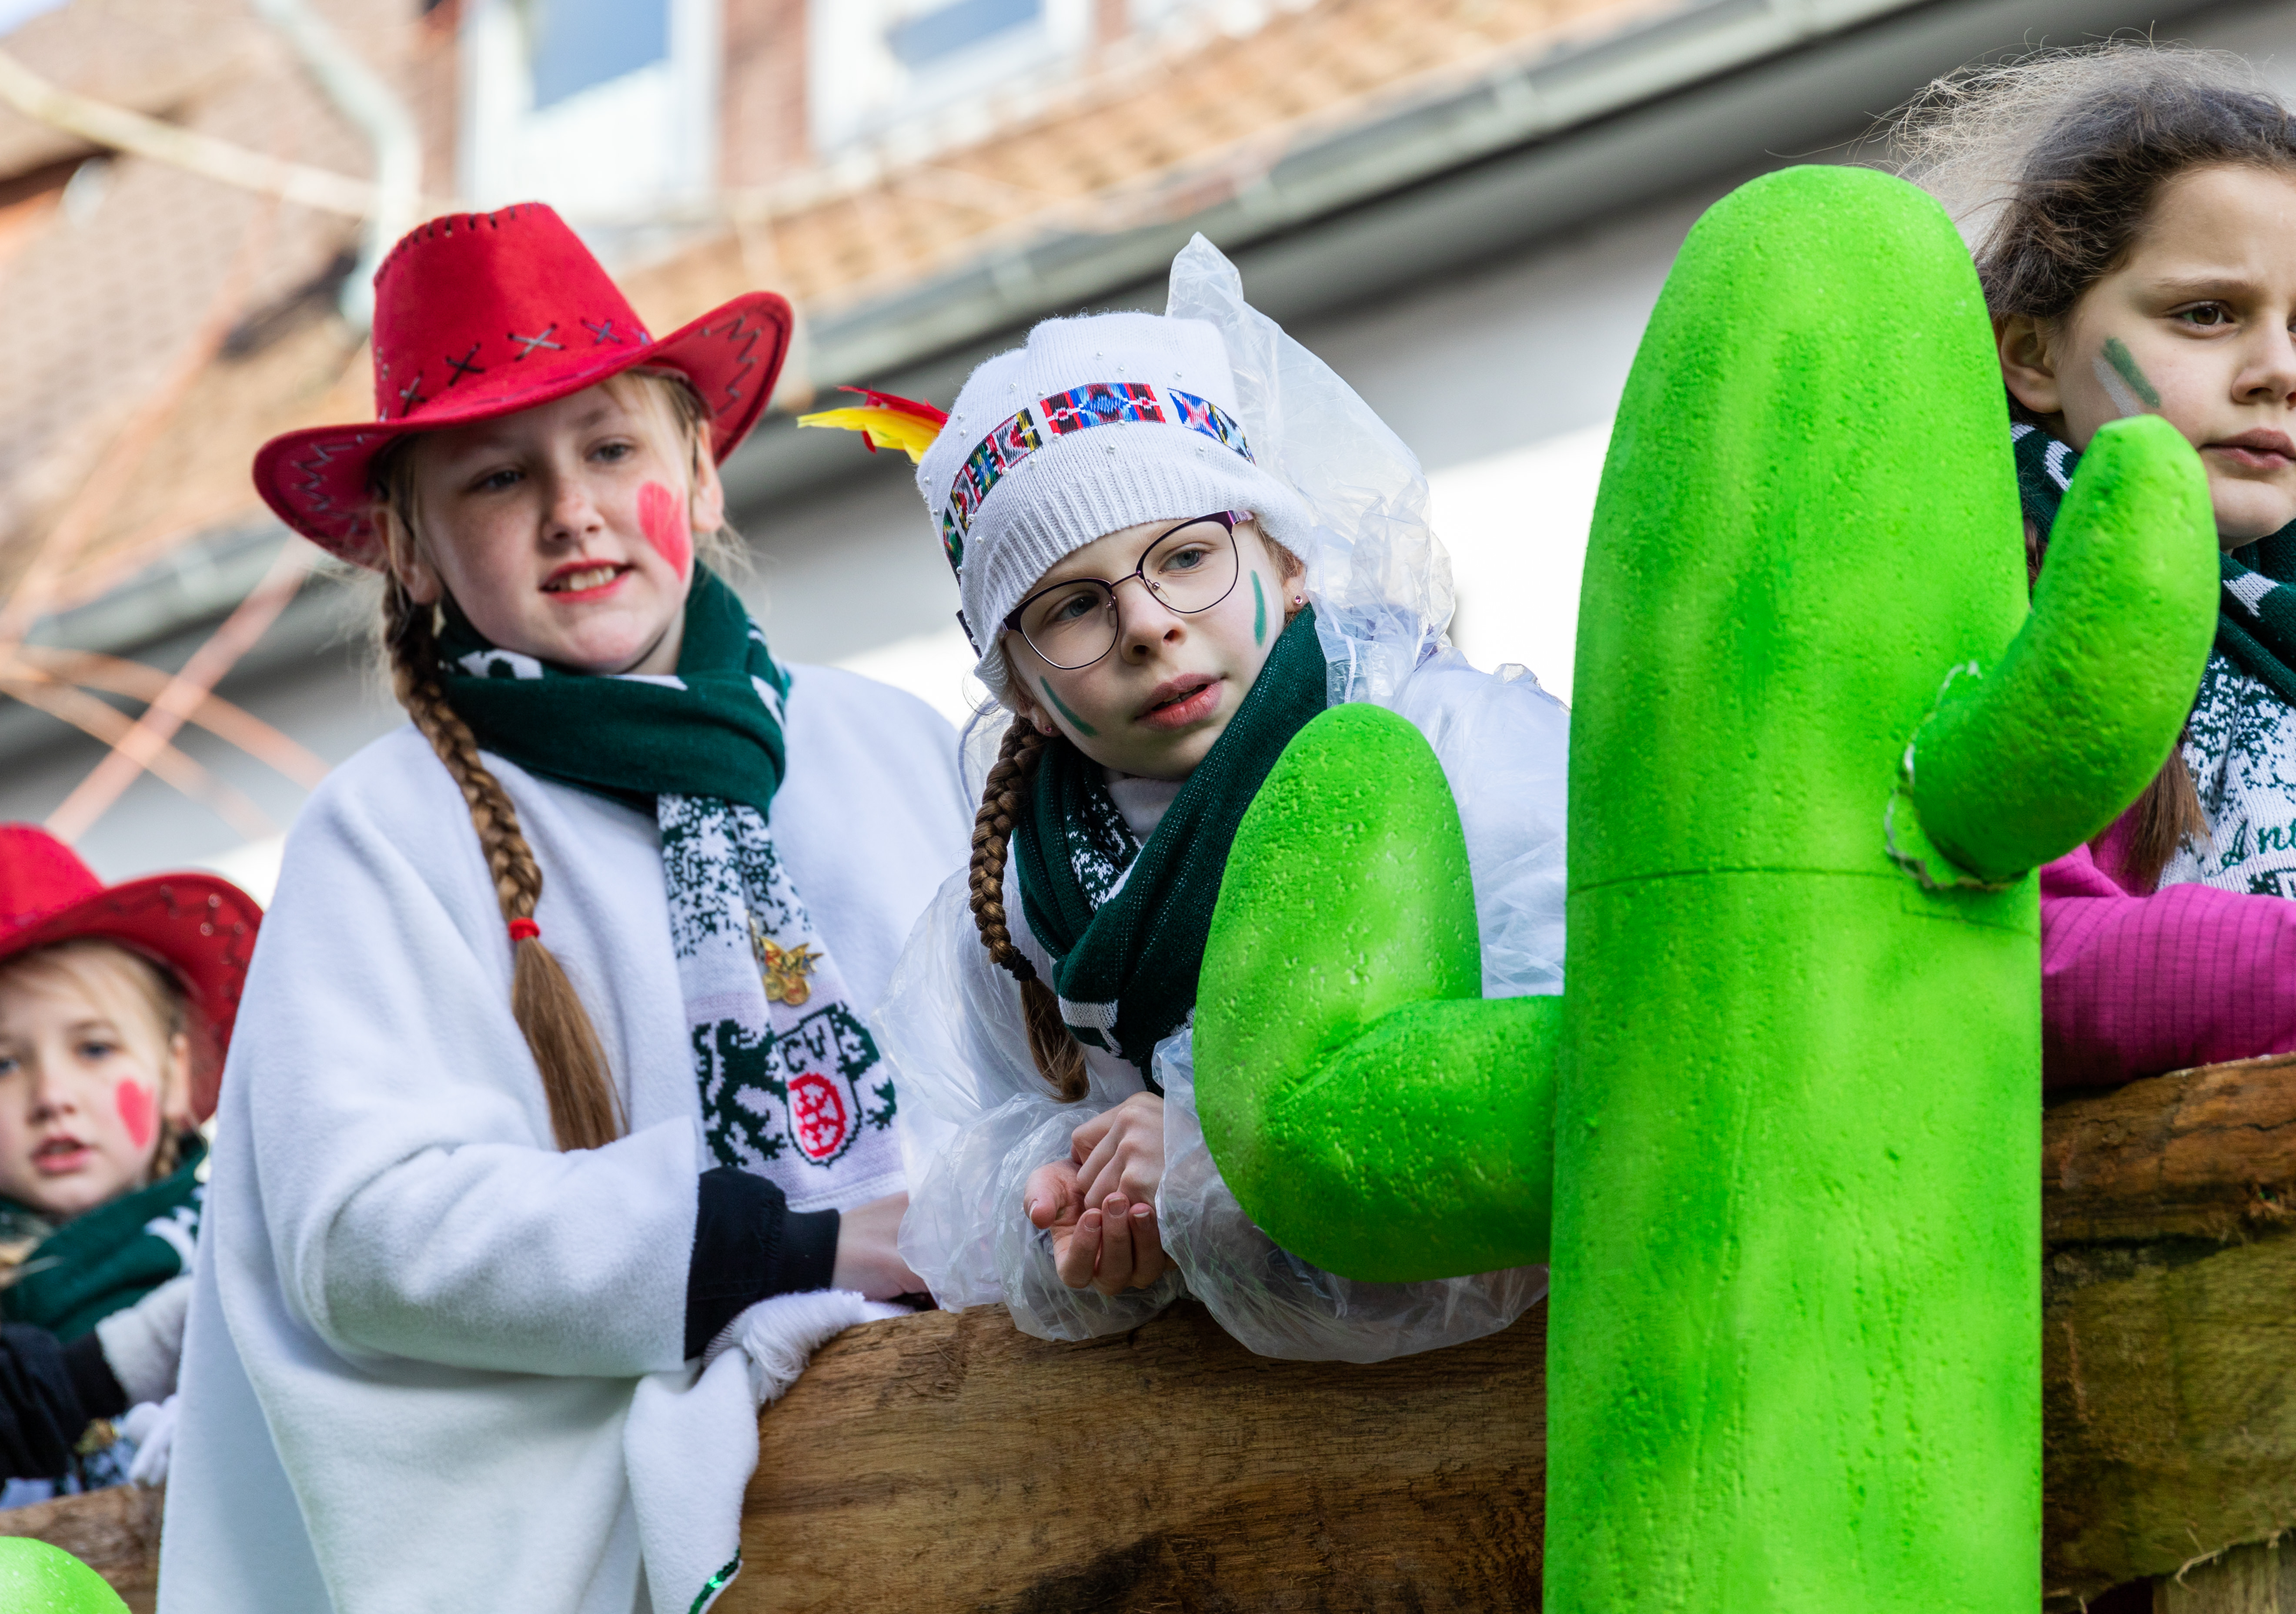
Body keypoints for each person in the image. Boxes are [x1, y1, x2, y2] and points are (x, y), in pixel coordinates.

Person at [160, 205, 967, 1614]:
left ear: (699, 478)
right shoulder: (387, 830)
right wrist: (805, 1245)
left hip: (984, 1429)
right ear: (409, 552)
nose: (570, 509)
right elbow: (367, 1231)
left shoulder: (892, 744)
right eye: (495, 478)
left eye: (609, 451)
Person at [841, 237, 1564, 1362]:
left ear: (1284, 560)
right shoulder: (1021, 912)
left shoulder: (1460, 748)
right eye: (1071, 606)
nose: (1146, 624)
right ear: (1020, 690)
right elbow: (969, 1189)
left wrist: (1217, 1164)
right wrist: (1069, 1214)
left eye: (1184, 556)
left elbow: (1587, 1076)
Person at [1895, 47, 2296, 1084]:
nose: (2277, 372)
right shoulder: (1977, 609)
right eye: (2205, 313)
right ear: (2031, 355)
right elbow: (2026, 959)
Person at [0, 824, 253, 1501]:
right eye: (4, 1064)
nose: (52, 1096)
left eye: (95, 1048)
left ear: (174, 1073)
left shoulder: (248, 1249)